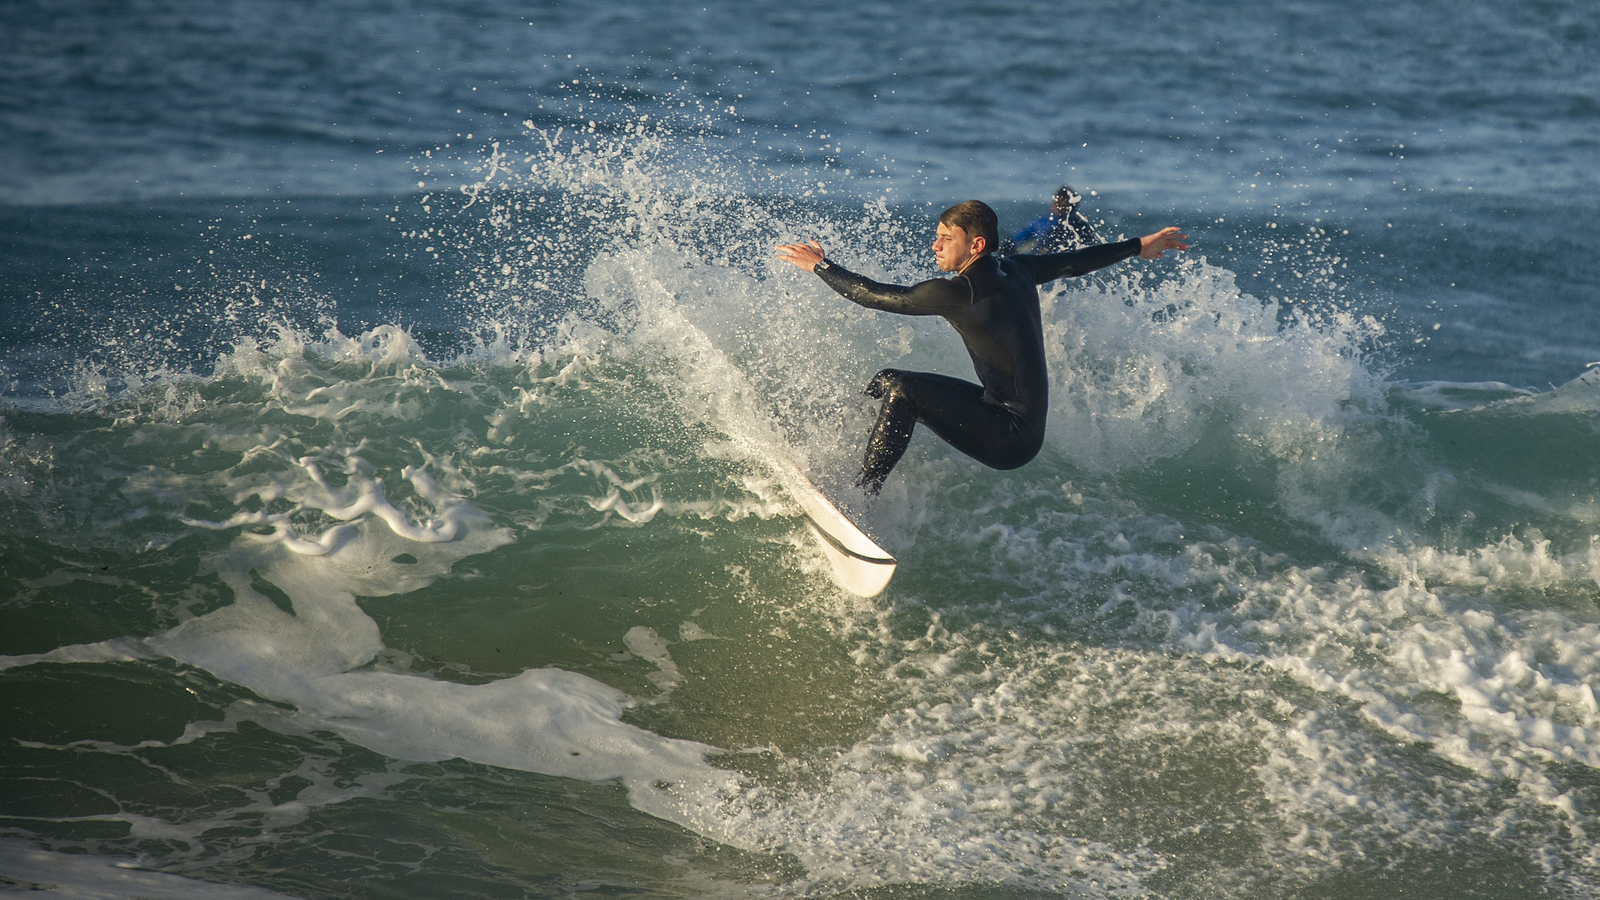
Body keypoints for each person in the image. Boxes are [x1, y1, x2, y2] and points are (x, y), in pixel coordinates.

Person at [775, 200, 1187, 496]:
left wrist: (820, 265)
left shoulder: (958, 293)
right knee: (889, 381)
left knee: (905, 392)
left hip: (1012, 437)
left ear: (975, 246)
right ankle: (832, 451)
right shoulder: (1017, 268)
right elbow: (1073, 261)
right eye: (936, 237)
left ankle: (862, 493)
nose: (935, 246)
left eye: (945, 239)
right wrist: (1139, 245)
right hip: (998, 410)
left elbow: (875, 296)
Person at [1012, 184, 1100, 253]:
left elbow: (1015, 239)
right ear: (1076, 205)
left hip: (1043, 257)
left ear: (1054, 205)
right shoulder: (1084, 226)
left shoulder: (1043, 222)